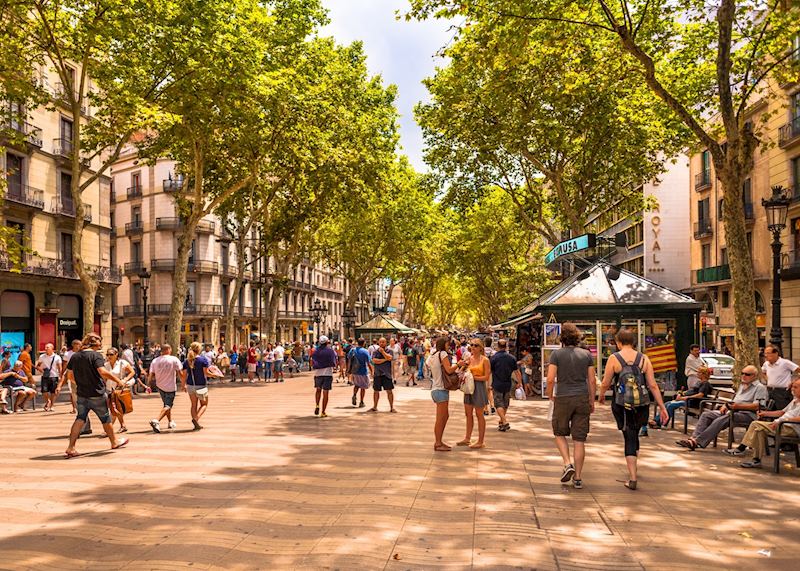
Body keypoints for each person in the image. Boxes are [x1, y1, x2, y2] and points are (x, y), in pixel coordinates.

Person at [599, 329, 668, 490]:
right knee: (634, 433)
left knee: (628, 435)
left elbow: (605, 382)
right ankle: (633, 466)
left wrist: (601, 396)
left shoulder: (614, 358)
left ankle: (632, 477)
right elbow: (652, 385)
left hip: (622, 404)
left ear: (618, 342)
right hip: (642, 404)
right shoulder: (644, 359)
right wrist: (662, 406)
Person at [56, 333, 129, 458]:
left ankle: (71, 447)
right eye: (100, 341)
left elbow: (69, 376)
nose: (101, 344)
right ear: (94, 343)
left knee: (80, 419)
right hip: (96, 393)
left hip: (82, 394)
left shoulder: (75, 356)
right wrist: (118, 381)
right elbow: (102, 371)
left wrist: (81, 383)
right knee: (105, 418)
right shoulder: (96, 355)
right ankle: (114, 442)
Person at [546, 323, 596, 488]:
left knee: (559, 432)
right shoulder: (587, 355)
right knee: (579, 439)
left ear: (562, 339)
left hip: (563, 397)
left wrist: (550, 394)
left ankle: (567, 463)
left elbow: (551, 378)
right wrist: (591, 399)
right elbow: (592, 379)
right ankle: (579, 478)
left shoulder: (556, 355)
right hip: (581, 397)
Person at [678, 365, 767, 450]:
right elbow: (735, 401)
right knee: (707, 415)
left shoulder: (760, 388)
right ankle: (693, 439)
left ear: (754, 376)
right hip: (733, 411)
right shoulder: (742, 386)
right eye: (742, 373)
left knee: (722, 418)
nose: (744, 376)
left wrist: (737, 406)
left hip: (748, 415)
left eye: (747, 374)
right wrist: (726, 405)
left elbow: (757, 406)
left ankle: (697, 441)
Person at [735, 377, 800, 468]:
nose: (792, 389)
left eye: (796, 387)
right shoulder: (795, 400)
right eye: (792, 386)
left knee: (755, 424)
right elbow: (782, 412)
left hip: (791, 428)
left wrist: (783, 420)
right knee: (759, 430)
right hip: (781, 425)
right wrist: (765, 413)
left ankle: (742, 447)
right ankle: (756, 460)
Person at [457, 338, 491, 449]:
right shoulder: (469, 359)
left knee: (479, 414)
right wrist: (462, 368)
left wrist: (474, 377)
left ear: (481, 347)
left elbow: (486, 377)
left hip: (479, 388)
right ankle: (467, 438)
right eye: (471, 345)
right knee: (468, 413)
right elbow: (461, 371)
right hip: (468, 388)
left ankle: (481, 441)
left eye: (476, 345)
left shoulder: (485, 360)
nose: (473, 347)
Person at [427, 337, 458, 451]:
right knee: (440, 418)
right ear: (444, 344)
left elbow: (428, 365)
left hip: (436, 388)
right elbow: (449, 370)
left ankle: (439, 441)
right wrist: (459, 364)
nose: (449, 346)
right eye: (447, 344)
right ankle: (438, 443)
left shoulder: (432, 355)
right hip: (440, 389)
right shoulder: (443, 354)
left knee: (445, 416)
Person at [148, 344, 183, 433]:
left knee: (166, 405)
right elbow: (180, 372)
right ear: (169, 349)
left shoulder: (155, 361)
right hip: (170, 386)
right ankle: (156, 420)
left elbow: (151, 374)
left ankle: (170, 421)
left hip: (160, 386)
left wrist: (148, 385)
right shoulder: (174, 359)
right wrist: (184, 383)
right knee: (168, 405)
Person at [491, 339, 522, 433]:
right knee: (505, 403)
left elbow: (489, 372)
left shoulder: (494, 358)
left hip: (497, 383)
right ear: (506, 346)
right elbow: (517, 372)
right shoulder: (511, 358)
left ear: (498, 346)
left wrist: (488, 383)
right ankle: (501, 422)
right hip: (508, 384)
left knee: (498, 403)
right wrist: (519, 382)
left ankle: (504, 421)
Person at [104, 348, 136, 433]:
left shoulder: (122, 363)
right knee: (116, 408)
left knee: (114, 408)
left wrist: (125, 380)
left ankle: (109, 429)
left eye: (111, 354)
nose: (109, 356)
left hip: (118, 390)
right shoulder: (106, 365)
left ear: (116, 354)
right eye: (107, 355)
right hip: (109, 389)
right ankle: (122, 425)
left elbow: (132, 372)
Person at [181, 341, 209, 430]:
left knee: (193, 405)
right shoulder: (203, 360)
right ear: (199, 349)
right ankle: (196, 419)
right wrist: (215, 375)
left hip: (190, 385)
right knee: (204, 404)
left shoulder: (187, 361)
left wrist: (183, 385)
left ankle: (195, 423)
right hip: (201, 385)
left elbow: (184, 375)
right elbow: (206, 373)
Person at [761, 344, 798, 410]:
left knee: (782, 410)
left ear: (776, 353)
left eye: (768, 353)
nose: (766, 355)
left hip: (782, 392)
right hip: (770, 391)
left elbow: (798, 370)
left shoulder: (785, 363)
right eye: (765, 353)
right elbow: (763, 372)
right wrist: (767, 380)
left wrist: (794, 382)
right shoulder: (766, 364)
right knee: (769, 409)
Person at [311, 335, 337, 417]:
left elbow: (312, 362)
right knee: (326, 393)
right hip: (327, 374)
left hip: (318, 374)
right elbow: (333, 363)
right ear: (327, 342)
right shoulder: (330, 351)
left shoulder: (315, 351)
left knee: (318, 390)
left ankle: (317, 405)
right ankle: (323, 412)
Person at [370, 337, 396, 413]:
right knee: (376, 391)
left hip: (387, 374)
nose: (382, 343)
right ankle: (375, 407)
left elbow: (390, 358)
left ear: (386, 343)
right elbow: (374, 361)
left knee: (389, 391)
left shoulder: (390, 351)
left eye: (383, 342)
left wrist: (383, 353)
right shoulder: (375, 352)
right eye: (380, 342)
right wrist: (385, 359)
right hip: (377, 374)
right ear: (378, 343)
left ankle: (391, 407)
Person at [36, 343, 62, 412]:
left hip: (54, 376)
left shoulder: (57, 357)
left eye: (47, 347)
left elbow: (60, 367)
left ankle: (52, 405)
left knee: (53, 392)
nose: (46, 349)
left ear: (52, 349)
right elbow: (38, 366)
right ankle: (48, 401)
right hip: (45, 376)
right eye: (45, 347)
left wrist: (60, 376)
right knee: (44, 391)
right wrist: (41, 370)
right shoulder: (42, 356)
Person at [348, 338, 371, 408]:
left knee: (356, 385)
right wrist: (372, 371)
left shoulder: (352, 350)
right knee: (363, 387)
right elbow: (368, 362)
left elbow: (349, 360)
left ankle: (354, 395)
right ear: (363, 343)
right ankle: (361, 401)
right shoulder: (365, 351)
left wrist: (349, 370)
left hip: (355, 371)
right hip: (363, 371)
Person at [483, 337, 496, 416]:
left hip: (483, 373)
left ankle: (485, 409)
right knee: (489, 390)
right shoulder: (494, 352)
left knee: (484, 391)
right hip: (491, 373)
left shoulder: (482, 351)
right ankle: (492, 405)